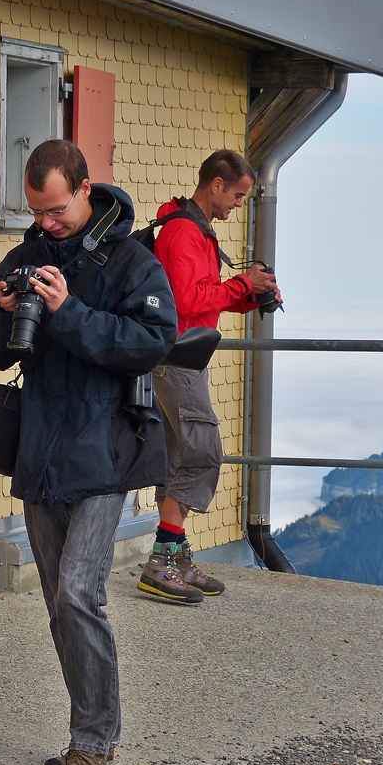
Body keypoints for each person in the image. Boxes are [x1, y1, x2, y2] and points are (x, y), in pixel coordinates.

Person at [0, 140, 177, 765]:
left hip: (105, 452)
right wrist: (1, 313)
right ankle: (82, 734)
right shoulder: (28, 255)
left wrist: (70, 311)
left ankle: (96, 741)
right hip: (40, 456)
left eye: (56, 210)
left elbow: (151, 343)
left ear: (86, 189)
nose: (46, 224)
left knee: (78, 592)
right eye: (37, 212)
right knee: (59, 608)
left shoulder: (131, 261)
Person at [138, 150, 281, 604]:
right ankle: (162, 560)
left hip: (182, 357)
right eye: (238, 194)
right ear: (216, 185)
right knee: (204, 453)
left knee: (179, 455)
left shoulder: (196, 229)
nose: (240, 203)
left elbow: (206, 298)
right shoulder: (183, 231)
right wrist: (243, 285)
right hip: (176, 359)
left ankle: (174, 558)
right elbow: (184, 300)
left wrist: (252, 295)